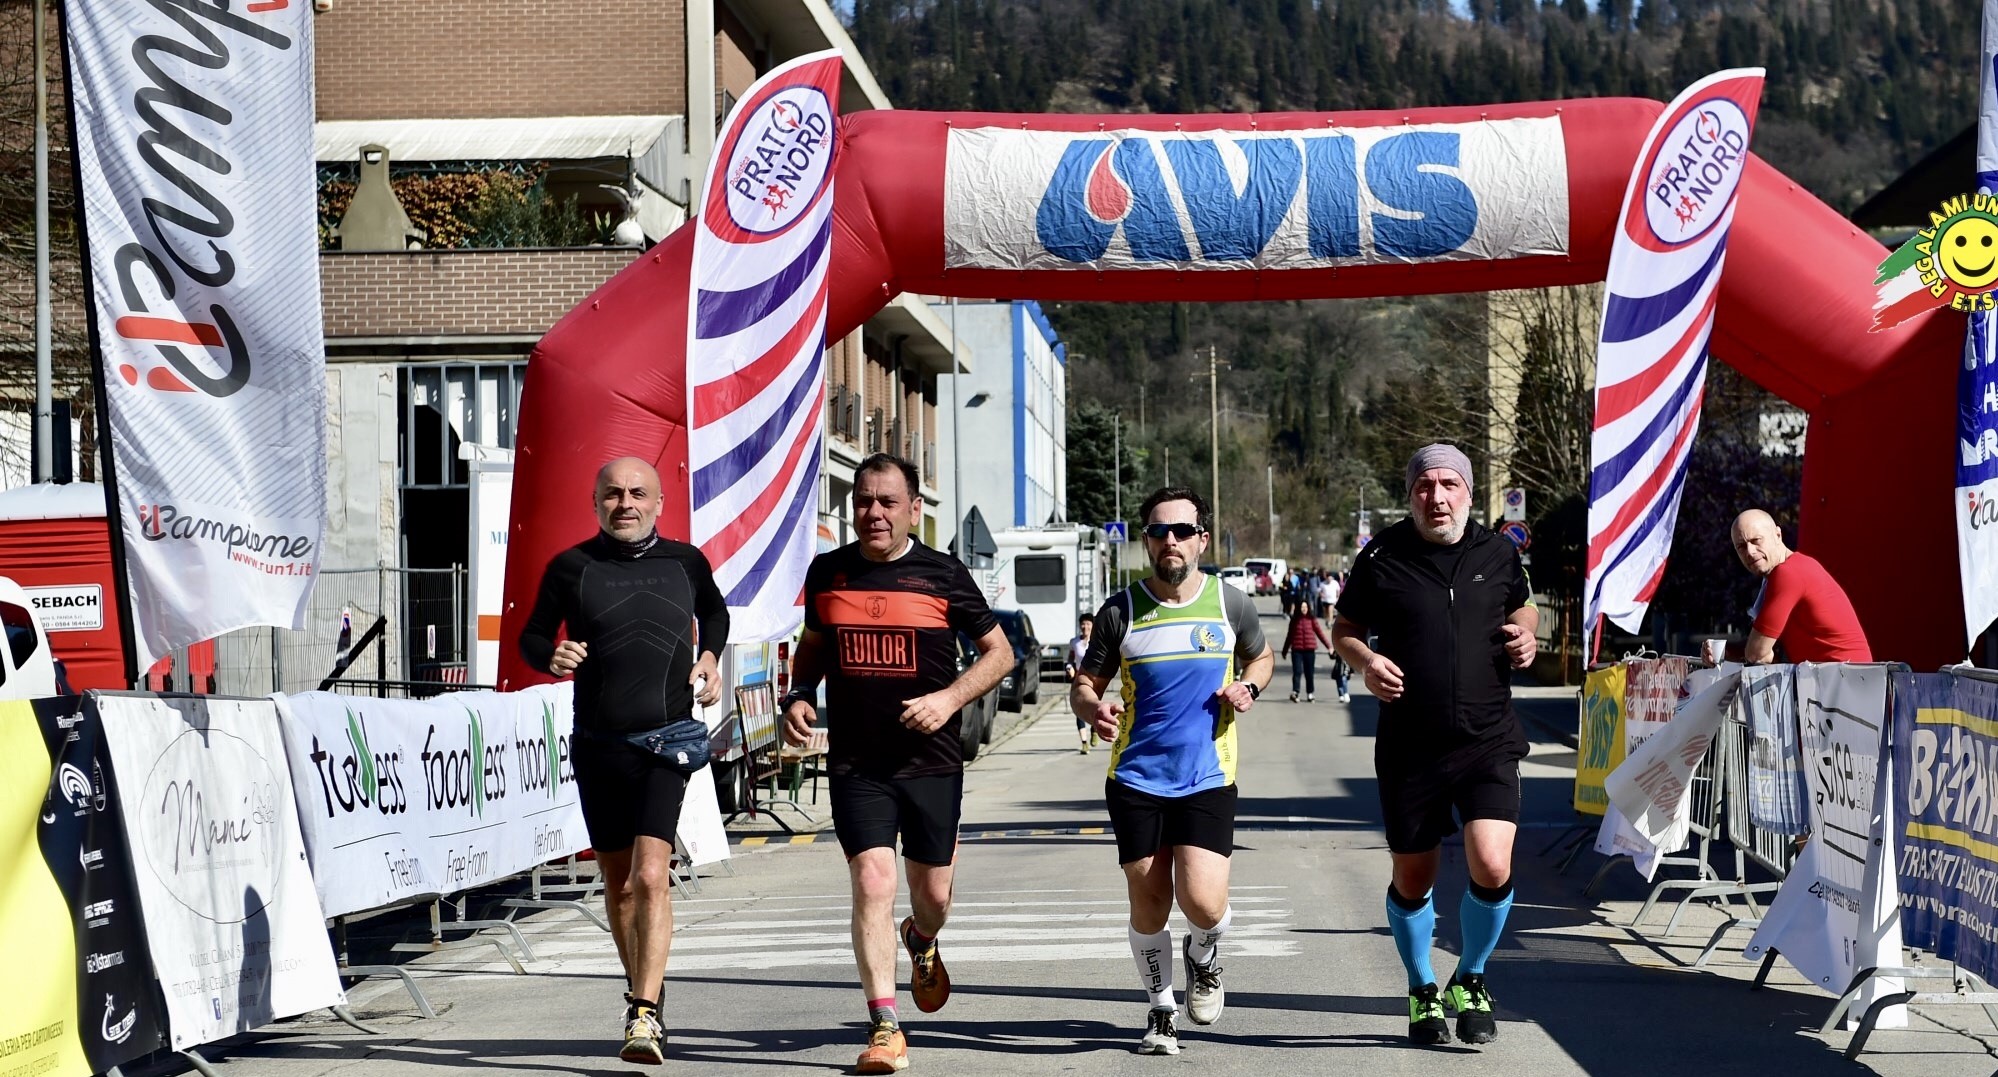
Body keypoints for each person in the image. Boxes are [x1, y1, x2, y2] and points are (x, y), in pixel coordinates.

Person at [781, 453, 1013, 1074]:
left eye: (887, 502)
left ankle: (921, 937)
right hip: (858, 764)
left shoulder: (943, 574)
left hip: (931, 763)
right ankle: (885, 1025)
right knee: (872, 883)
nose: (874, 513)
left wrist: (949, 699)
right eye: (863, 501)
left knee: (932, 895)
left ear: (914, 509)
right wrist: (799, 694)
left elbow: (1000, 655)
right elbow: (813, 647)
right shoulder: (828, 573)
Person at [518, 456, 728, 1066]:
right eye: (613, 494)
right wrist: (550, 655)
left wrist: (709, 657)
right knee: (618, 883)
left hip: (667, 740)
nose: (626, 503)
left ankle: (644, 1010)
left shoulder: (686, 562)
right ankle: (641, 990)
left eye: (638, 493)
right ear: (596, 503)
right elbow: (532, 635)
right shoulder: (572, 567)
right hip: (599, 745)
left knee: (651, 876)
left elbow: (714, 613)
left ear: (659, 503)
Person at [1331, 444, 1537, 1048]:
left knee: (1492, 862)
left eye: (1450, 485)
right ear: (1411, 493)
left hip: (1488, 737)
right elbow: (1344, 629)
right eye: (1425, 485)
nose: (1437, 497)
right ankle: (1422, 987)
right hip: (1410, 744)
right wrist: (1366, 662)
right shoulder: (1382, 555)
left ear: (1469, 493)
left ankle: (1470, 977)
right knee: (1414, 876)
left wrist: (1526, 635)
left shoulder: (1498, 552)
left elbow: (1524, 607)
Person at [1070, 485, 1274, 1056]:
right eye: (1159, 532)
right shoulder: (1121, 611)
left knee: (1204, 904)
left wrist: (1249, 686)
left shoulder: (1230, 605)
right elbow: (1085, 685)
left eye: (1182, 531)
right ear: (1146, 541)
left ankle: (1203, 955)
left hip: (1208, 774)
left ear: (1201, 539)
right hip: (1136, 778)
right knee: (1150, 901)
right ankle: (1161, 1011)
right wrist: (1093, 708)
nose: (1170, 541)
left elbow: (1261, 657)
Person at [1729, 509, 1872, 663]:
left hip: (1843, 675)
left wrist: (1754, 653)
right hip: (1841, 673)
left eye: (1756, 540)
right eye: (1741, 547)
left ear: (1777, 535)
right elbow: (1760, 651)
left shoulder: (1788, 574)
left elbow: (1756, 654)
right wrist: (1723, 651)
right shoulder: (1795, 568)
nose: (1750, 552)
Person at [1281, 598, 1334, 703]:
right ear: (1298, 608)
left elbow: (1320, 633)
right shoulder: (1294, 620)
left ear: (1308, 608)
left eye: (1305, 607)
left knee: (1309, 673)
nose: (1304, 609)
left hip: (1309, 650)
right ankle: (1295, 692)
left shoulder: (1312, 619)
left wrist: (1329, 646)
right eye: (1302, 607)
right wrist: (1284, 651)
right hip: (1297, 650)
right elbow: (1289, 636)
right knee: (1297, 671)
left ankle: (1310, 693)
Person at [1067, 614, 1100, 753]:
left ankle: (1094, 730)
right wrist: (1069, 667)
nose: (1085, 627)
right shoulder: (1074, 642)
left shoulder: (1098, 641)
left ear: (1092, 626)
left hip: (1095, 679)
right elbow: (1070, 658)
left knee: (1094, 706)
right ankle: (1084, 743)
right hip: (1079, 678)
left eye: (1088, 624)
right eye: (1083, 624)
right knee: (1079, 709)